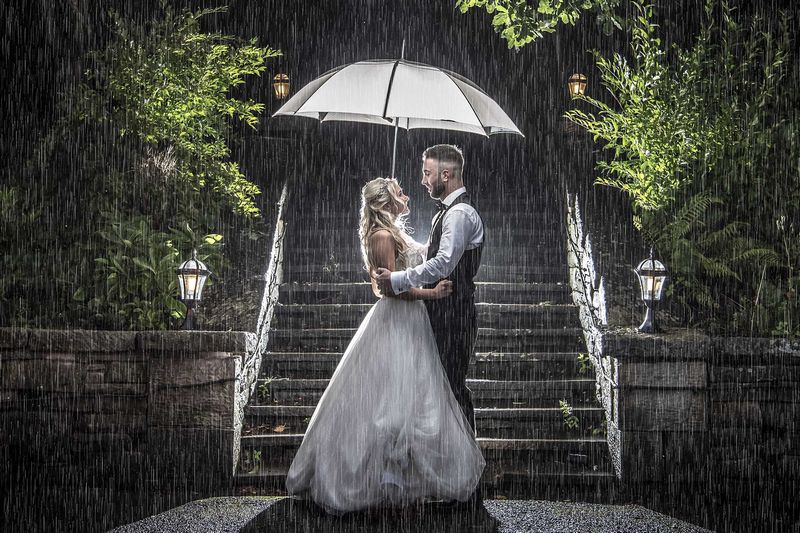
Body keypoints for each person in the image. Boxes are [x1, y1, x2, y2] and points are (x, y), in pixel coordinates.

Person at [285, 177, 485, 515]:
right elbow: (390, 289)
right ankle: (378, 479)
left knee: (414, 398)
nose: (406, 195)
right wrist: (431, 293)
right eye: (399, 192)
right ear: (385, 201)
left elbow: (427, 255)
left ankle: (401, 476)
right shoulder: (380, 237)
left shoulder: (396, 233)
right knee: (388, 402)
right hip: (397, 320)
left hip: (413, 322)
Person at [374, 144, 485, 510]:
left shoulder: (460, 214)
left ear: (446, 175)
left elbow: (442, 265)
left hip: (454, 316)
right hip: (438, 315)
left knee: (452, 390)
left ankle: (469, 477)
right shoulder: (446, 213)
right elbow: (430, 252)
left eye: (427, 173)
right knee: (437, 393)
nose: (422, 180)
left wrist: (400, 279)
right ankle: (446, 472)